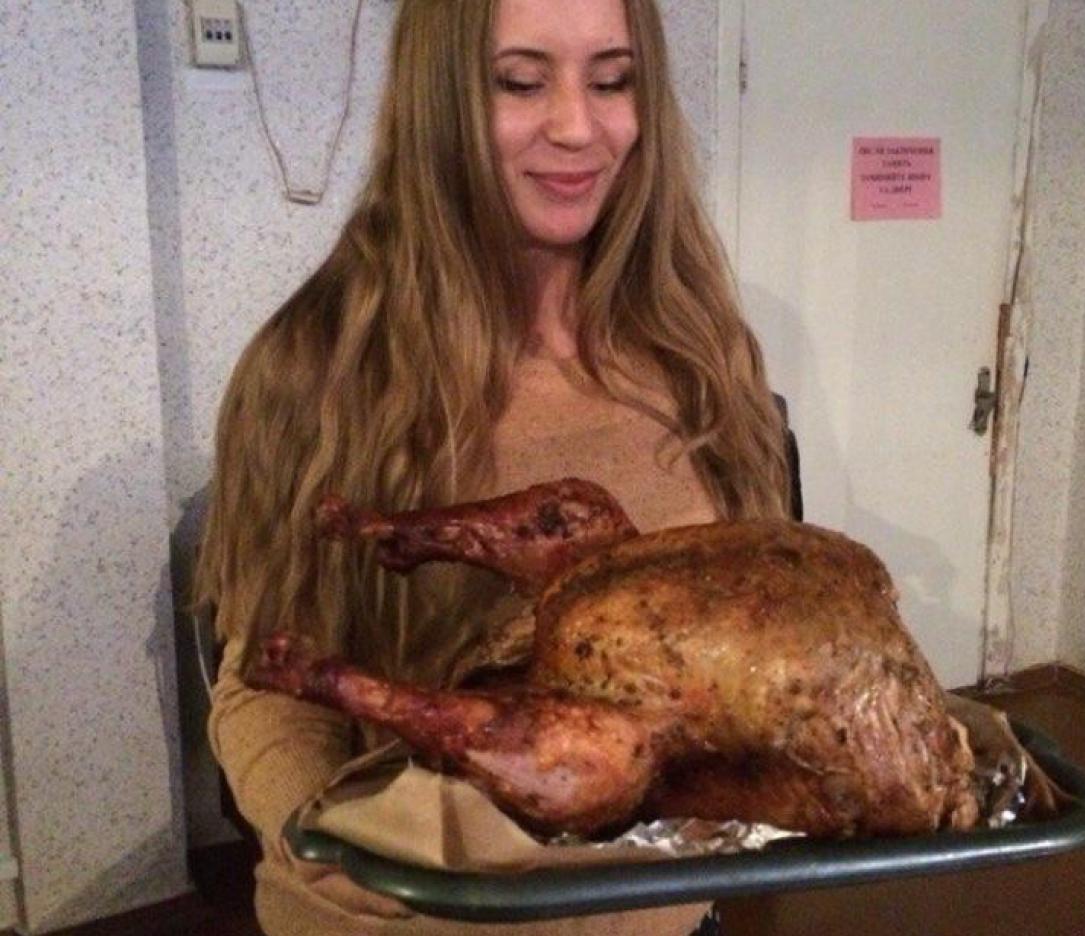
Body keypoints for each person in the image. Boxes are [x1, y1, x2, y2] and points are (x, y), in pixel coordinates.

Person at [194, 0, 791, 932]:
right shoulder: (321, 369)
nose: (577, 126)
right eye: (519, 82)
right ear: (439, 100)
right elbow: (264, 682)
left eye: (612, 80)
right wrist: (321, 846)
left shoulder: (701, 355)